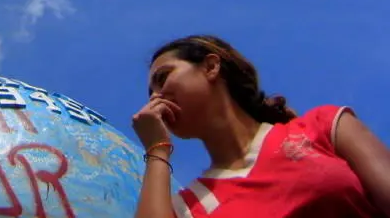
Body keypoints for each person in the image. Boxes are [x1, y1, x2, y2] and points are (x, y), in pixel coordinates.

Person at [132, 34, 390, 218]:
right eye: (150, 92)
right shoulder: (190, 206)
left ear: (211, 67)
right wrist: (157, 148)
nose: (155, 97)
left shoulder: (322, 126)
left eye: (163, 78)